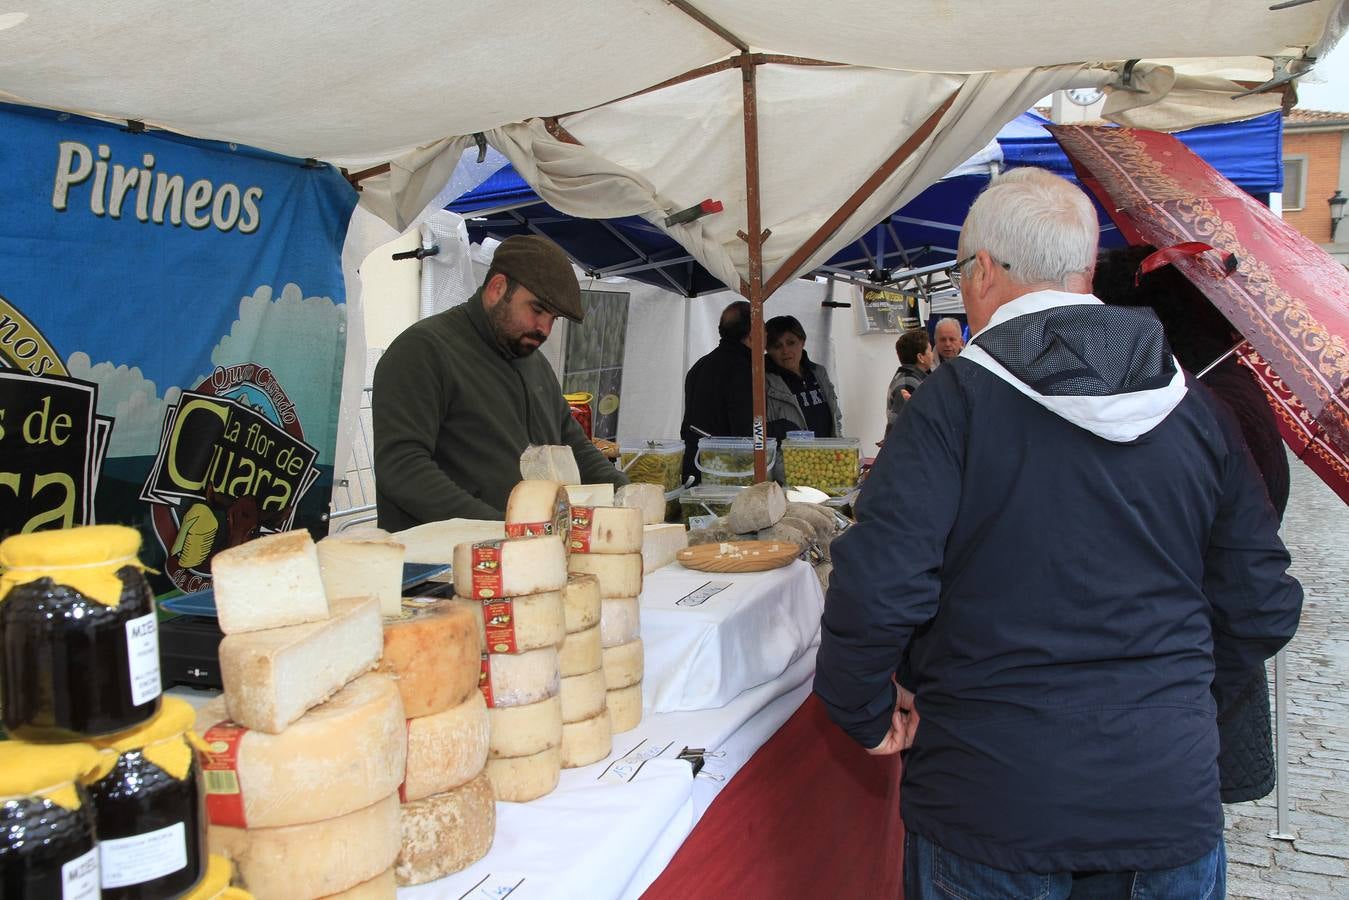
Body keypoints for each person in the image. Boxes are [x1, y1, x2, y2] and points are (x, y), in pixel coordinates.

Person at [814, 169, 1301, 898]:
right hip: (1159, 792)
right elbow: (1260, 604)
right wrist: (1172, 700)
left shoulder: (949, 407)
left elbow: (879, 585)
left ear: (979, 269)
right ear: (1081, 270)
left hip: (990, 793)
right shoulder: (1197, 411)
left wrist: (859, 707)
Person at [1094, 243, 1290, 803]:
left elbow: (1257, 597)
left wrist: (1194, 684)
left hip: (1190, 679)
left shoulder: (1205, 407)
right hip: (1189, 675)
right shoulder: (1216, 393)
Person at [372, 235, 626, 529]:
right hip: (444, 563)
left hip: (526, 550)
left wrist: (625, 494)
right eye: (537, 309)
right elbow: (402, 468)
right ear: (497, 289)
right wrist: (500, 527)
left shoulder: (535, 364)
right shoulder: (423, 350)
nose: (544, 328)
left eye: (553, 318)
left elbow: (573, 444)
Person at [679, 300, 755, 482]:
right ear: (754, 332)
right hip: (725, 473)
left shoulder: (700, 365)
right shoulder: (745, 370)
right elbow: (745, 432)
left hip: (693, 464)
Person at [763, 315, 842, 442]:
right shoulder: (764, 382)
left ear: (802, 342)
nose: (785, 351)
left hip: (828, 458)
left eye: (791, 343)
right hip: (789, 460)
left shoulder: (819, 372)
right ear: (767, 350)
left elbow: (835, 417)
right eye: (777, 346)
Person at [883, 327, 932, 436]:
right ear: (920, 357)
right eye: (929, 350)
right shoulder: (909, 382)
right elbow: (900, 422)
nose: (932, 354)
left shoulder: (911, 378)